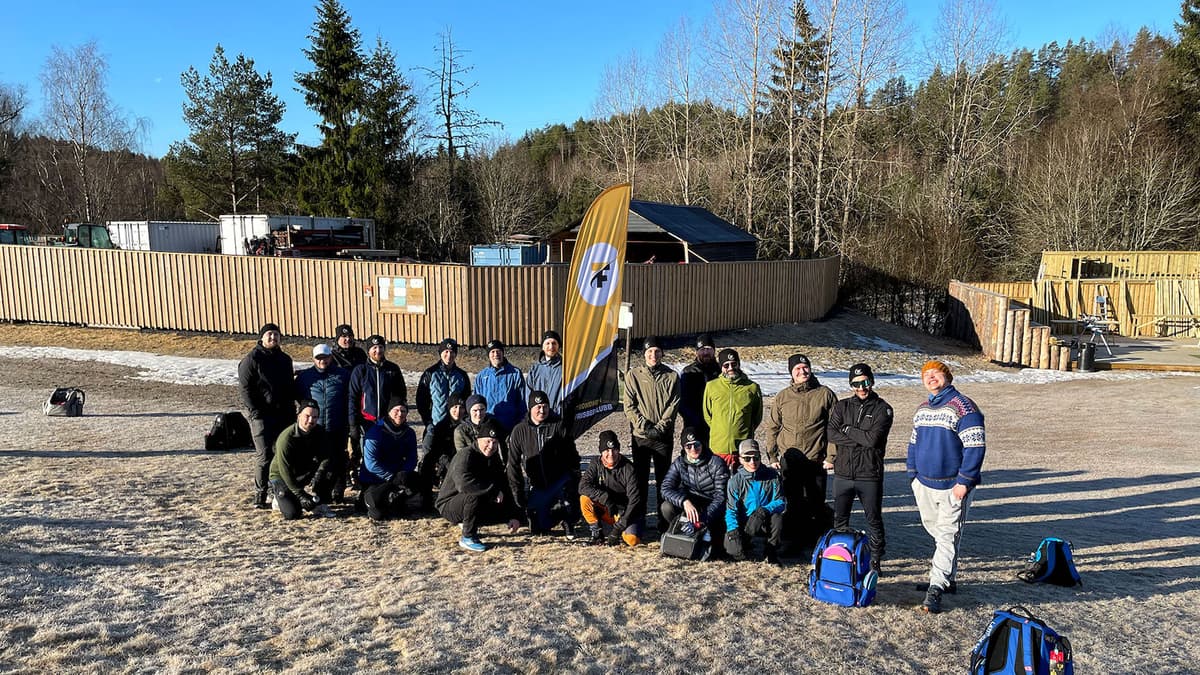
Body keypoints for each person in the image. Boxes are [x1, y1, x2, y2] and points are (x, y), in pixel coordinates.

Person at [908, 360, 986, 614]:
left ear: (947, 377)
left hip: (953, 485)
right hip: (925, 483)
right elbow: (913, 443)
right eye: (926, 375)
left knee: (947, 535)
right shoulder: (922, 409)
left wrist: (964, 481)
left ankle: (936, 587)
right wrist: (913, 474)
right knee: (934, 529)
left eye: (936, 373)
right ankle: (946, 577)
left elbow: (975, 446)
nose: (931, 378)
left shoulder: (964, 407)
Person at [825, 363, 893, 573]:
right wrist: (858, 437)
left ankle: (875, 559)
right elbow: (830, 433)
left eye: (865, 382)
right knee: (840, 518)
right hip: (843, 473)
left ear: (871, 381)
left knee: (873, 518)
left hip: (869, 474)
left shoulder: (883, 408)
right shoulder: (842, 406)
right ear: (851, 385)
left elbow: (873, 440)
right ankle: (840, 555)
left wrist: (846, 430)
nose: (861, 388)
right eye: (856, 384)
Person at [765, 353, 838, 546]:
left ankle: (817, 543)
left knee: (816, 503)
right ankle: (793, 542)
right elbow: (773, 427)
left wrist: (831, 455)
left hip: (816, 459)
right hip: (790, 460)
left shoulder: (825, 394)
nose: (802, 371)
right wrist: (772, 455)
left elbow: (835, 427)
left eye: (805, 367)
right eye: (797, 368)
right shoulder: (783, 397)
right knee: (793, 502)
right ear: (791, 372)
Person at [437, 418, 523, 552]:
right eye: (487, 441)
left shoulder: (493, 458)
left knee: (502, 504)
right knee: (473, 494)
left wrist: (512, 515)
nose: (491, 446)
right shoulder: (465, 455)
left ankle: (469, 521)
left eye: (494, 442)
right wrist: (492, 491)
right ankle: (468, 537)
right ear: (478, 439)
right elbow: (463, 484)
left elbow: (503, 484)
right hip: (449, 503)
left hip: (475, 502)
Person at [506, 390, 581, 538]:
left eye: (545, 406)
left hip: (560, 481)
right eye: (538, 407)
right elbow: (513, 464)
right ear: (530, 408)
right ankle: (557, 513)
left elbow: (572, 454)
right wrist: (518, 492)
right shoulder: (519, 431)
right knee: (537, 527)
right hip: (538, 485)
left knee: (570, 501)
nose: (542, 410)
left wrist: (575, 476)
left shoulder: (558, 425)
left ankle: (569, 518)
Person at [623, 336, 680, 523]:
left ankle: (664, 523)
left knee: (664, 479)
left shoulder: (671, 376)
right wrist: (645, 426)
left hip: (663, 436)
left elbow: (673, 405)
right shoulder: (633, 375)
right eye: (649, 351)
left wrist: (660, 427)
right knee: (640, 479)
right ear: (644, 354)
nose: (653, 355)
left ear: (662, 353)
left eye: (656, 351)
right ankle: (639, 521)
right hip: (641, 436)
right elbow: (629, 406)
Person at [238, 322, 295, 509]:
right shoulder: (252, 359)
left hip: (284, 415)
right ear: (262, 337)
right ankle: (260, 493)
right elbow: (246, 389)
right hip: (262, 416)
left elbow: (288, 386)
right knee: (264, 456)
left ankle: (278, 489)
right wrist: (256, 412)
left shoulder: (285, 359)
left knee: (281, 453)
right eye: (269, 334)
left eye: (276, 335)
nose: (273, 338)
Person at [294, 343, 351, 502]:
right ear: (313, 359)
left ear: (331, 357)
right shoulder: (305, 377)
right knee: (318, 459)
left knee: (339, 457)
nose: (322, 361)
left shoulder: (343, 375)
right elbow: (300, 398)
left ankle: (338, 489)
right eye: (319, 358)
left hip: (337, 424)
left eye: (325, 357)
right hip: (315, 426)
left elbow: (350, 397)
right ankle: (319, 490)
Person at [660, 427, 729, 551]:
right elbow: (665, 488)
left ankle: (703, 532)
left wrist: (703, 518)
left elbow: (721, 496)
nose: (693, 449)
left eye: (696, 444)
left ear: (702, 443)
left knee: (720, 546)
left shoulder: (716, 463)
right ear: (683, 448)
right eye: (688, 446)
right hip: (691, 505)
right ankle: (680, 531)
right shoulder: (679, 463)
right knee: (666, 507)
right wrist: (684, 501)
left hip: (711, 507)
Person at [348, 334, 406, 479]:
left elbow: (400, 395)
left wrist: (398, 417)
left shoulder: (392, 369)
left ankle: (385, 480)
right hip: (367, 421)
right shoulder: (360, 370)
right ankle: (364, 480)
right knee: (367, 454)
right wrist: (354, 423)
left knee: (387, 452)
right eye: (374, 348)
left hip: (387, 421)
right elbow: (353, 398)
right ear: (368, 351)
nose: (378, 351)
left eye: (380, 347)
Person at [268, 400, 336, 520]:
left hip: (303, 472)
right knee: (293, 514)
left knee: (332, 466)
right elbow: (285, 471)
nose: (311, 420)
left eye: (315, 417)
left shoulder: (320, 432)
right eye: (307, 416)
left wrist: (319, 474)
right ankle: (279, 498)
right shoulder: (286, 438)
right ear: (299, 416)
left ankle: (319, 502)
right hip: (281, 476)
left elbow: (326, 456)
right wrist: (301, 495)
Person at [359, 397, 423, 521]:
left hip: (397, 476)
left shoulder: (409, 432)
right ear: (388, 412)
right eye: (396, 410)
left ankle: (397, 500)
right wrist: (391, 477)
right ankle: (366, 499)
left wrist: (403, 474)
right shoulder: (375, 432)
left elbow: (412, 457)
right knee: (378, 514)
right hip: (376, 477)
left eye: (403, 411)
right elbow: (371, 463)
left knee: (420, 482)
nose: (400, 414)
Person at [579, 431, 645, 547]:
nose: (610, 454)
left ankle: (617, 529)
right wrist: (605, 498)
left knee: (632, 540)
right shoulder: (595, 463)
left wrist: (617, 530)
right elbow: (583, 486)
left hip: (624, 512)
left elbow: (634, 501)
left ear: (618, 449)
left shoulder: (628, 468)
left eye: (614, 449)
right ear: (601, 452)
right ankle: (597, 534)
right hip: (606, 508)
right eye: (606, 450)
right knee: (584, 499)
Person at [724, 440, 786, 563]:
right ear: (740, 460)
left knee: (777, 518)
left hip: (764, 519)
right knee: (733, 551)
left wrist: (763, 510)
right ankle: (744, 544)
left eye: (756, 457)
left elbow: (780, 501)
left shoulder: (772, 476)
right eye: (747, 458)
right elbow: (731, 509)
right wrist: (733, 530)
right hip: (745, 522)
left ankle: (771, 552)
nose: (752, 462)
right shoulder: (735, 481)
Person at [703, 348, 763, 466]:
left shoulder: (752, 387)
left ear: (738, 364)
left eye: (734, 364)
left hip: (742, 447)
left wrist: (743, 431)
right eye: (726, 365)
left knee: (741, 482)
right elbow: (708, 414)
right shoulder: (711, 386)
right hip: (718, 447)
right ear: (721, 367)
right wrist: (720, 429)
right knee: (719, 482)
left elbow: (757, 416)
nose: (730, 368)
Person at [415, 337, 471, 431]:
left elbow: (467, 399)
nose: (449, 355)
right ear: (441, 353)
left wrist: (463, 419)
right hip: (436, 424)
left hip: (457, 427)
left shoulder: (462, 375)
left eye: (452, 352)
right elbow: (421, 401)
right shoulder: (430, 374)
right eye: (446, 352)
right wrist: (428, 421)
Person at [474, 339, 527, 434]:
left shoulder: (515, 373)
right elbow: (476, 402)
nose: (496, 354)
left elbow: (522, 401)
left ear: (503, 353)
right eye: (492, 352)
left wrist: (520, 423)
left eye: (498, 351)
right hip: (488, 425)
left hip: (510, 424)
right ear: (488, 355)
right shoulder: (482, 376)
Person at [419, 393, 465, 496]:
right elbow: (436, 450)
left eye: (461, 407)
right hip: (444, 461)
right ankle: (427, 497)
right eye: (455, 407)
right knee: (427, 463)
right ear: (449, 408)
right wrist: (447, 463)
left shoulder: (466, 426)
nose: (458, 411)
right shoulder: (441, 426)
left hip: (461, 460)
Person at [678, 333, 720, 447]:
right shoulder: (688, 372)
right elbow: (681, 402)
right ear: (696, 352)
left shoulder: (721, 372)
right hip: (693, 425)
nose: (705, 352)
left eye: (709, 349)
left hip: (717, 425)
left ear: (714, 350)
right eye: (702, 349)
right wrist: (694, 419)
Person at [454, 393, 508, 460]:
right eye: (475, 410)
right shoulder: (461, 431)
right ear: (469, 411)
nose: (479, 413)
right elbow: (461, 455)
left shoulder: (494, 424)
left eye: (482, 410)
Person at [526, 330, 564, 415]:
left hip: (558, 416)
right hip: (539, 415)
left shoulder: (565, 368)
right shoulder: (535, 369)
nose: (551, 346)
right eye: (547, 343)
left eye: (554, 343)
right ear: (542, 347)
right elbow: (528, 393)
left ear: (558, 346)